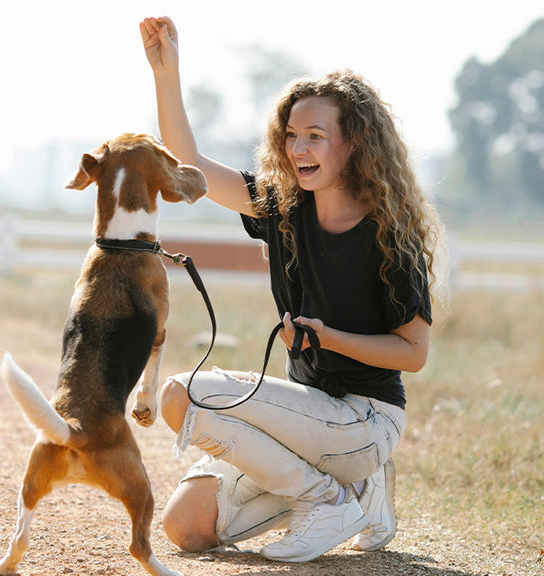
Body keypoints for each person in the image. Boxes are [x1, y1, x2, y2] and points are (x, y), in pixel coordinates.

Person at [139, 15, 442, 563]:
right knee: (186, 528)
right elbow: (191, 167)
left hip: (364, 419)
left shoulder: (390, 236)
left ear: (354, 145)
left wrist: (329, 337)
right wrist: (167, 73)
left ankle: (327, 497)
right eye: (292, 135)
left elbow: (414, 354)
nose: (299, 147)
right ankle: (357, 495)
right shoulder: (282, 207)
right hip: (307, 419)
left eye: (316, 136)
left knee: (181, 394)